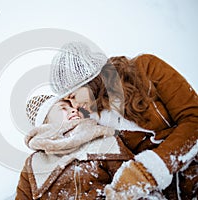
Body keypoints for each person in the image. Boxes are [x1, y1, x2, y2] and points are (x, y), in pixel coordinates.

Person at [50, 42, 198, 199]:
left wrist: (149, 169)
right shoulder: (96, 122)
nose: (74, 105)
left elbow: (194, 118)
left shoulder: (147, 69)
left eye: (73, 97)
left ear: (90, 81)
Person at [15, 95, 161, 199]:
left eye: (73, 107)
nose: (73, 110)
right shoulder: (34, 164)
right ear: (46, 122)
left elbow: (135, 187)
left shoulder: (104, 140)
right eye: (63, 108)